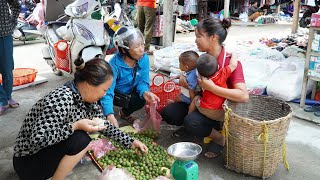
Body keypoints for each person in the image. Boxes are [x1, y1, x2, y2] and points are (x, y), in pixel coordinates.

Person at [13, 58, 148, 180]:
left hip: (44, 152)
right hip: (28, 162)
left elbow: (103, 125)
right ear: (90, 84)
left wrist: (131, 141)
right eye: (104, 89)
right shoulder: (62, 99)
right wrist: (75, 126)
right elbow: (38, 139)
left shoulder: (87, 99)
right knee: (81, 140)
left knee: (81, 139)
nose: (105, 94)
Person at [161, 18, 249, 158]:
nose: (195, 40)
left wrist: (212, 88)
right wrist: (184, 79)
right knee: (169, 113)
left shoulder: (230, 62)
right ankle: (194, 127)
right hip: (201, 104)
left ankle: (219, 138)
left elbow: (243, 96)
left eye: (199, 36)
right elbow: (191, 78)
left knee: (191, 122)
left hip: (218, 111)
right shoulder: (201, 60)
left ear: (213, 37)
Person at [100, 26, 159, 127]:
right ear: (124, 50)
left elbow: (143, 81)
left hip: (130, 91)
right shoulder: (113, 66)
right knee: (98, 97)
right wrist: (109, 114)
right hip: (116, 94)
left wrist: (145, 91)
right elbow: (107, 92)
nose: (142, 49)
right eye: (136, 46)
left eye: (142, 44)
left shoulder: (144, 58)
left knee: (141, 99)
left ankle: (124, 114)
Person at [188, 53, 238, 121]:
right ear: (218, 67)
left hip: (206, 109)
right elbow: (233, 65)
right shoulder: (222, 74)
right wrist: (234, 55)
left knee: (196, 98)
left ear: (199, 72)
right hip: (222, 111)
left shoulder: (201, 80)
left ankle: (188, 116)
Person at [0, 0, 21, 115]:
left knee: (7, 69)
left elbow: (16, 5)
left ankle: (7, 97)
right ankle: (2, 100)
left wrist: (12, 22)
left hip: (4, 33)